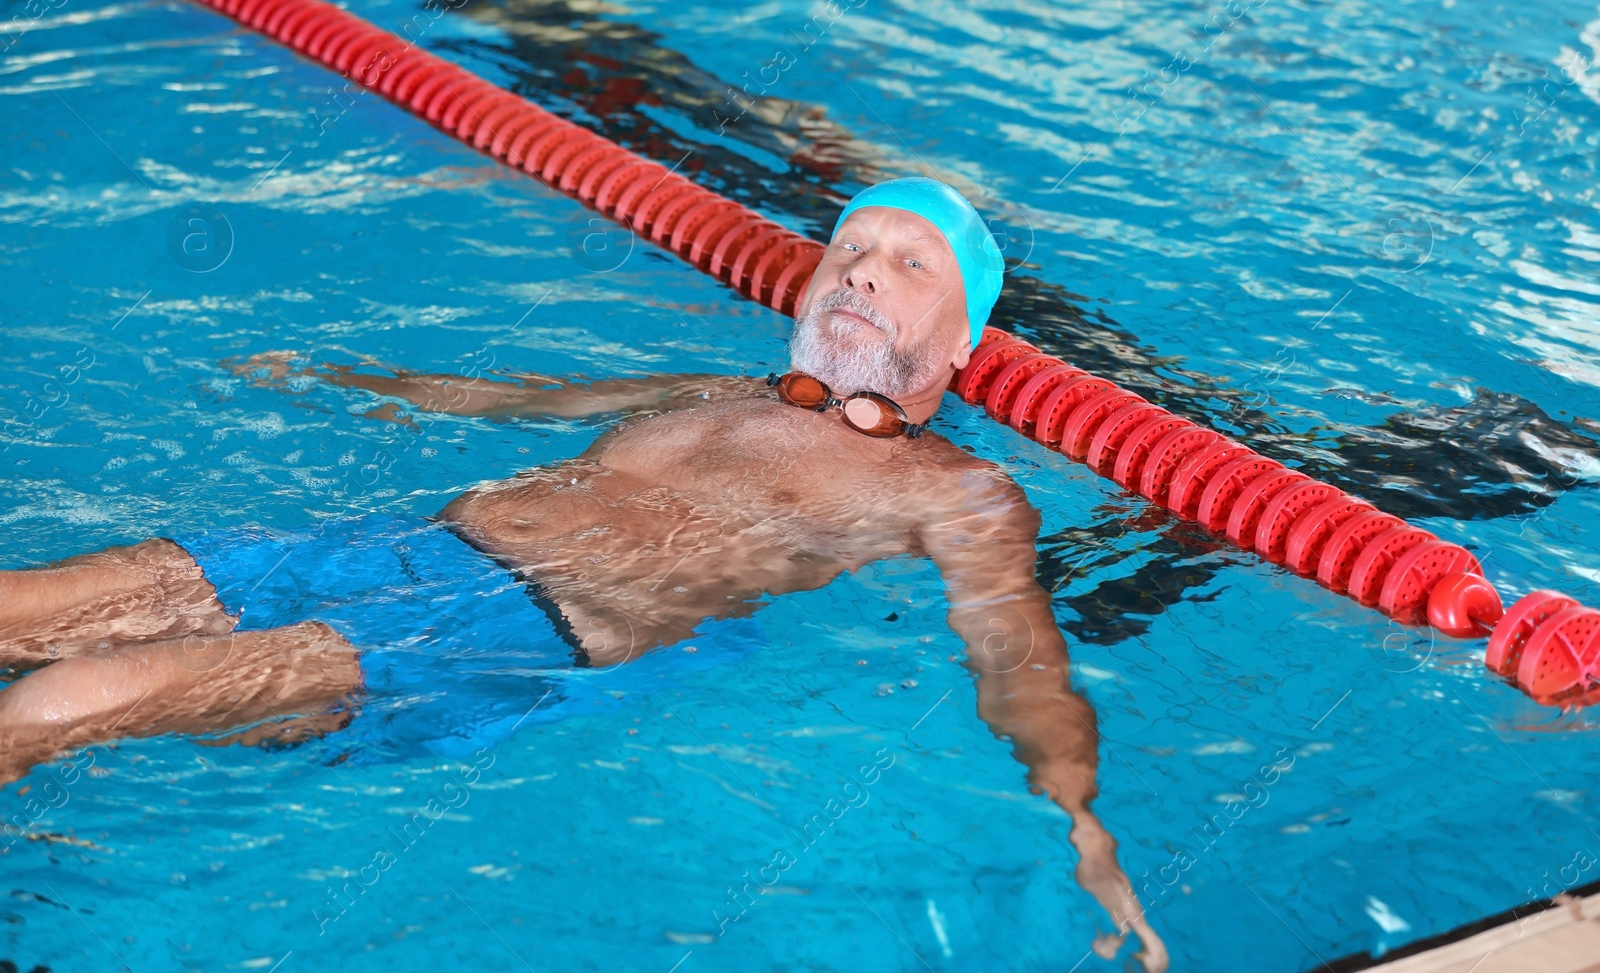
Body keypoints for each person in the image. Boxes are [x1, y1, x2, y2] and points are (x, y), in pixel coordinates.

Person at [0, 177, 1167, 971]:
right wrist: (341, 375)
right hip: (394, 542)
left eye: (910, 264)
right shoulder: (704, 389)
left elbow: (1016, 655)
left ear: (964, 343)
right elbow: (511, 401)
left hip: (506, 630)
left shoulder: (951, 488)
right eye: (849, 247)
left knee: (63, 697)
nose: (862, 270)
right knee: (19, 612)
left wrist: (1082, 822)